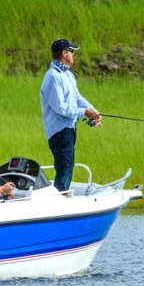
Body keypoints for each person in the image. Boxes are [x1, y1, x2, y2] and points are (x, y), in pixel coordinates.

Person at [40, 38, 101, 191]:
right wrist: (84, 112)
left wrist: (92, 111)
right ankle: (60, 200)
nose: (74, 54)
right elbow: (61, 108)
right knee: (65, 168)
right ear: (64, 53)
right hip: (60, 131)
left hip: (69, 129)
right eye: (72, 51)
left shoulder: (68, 76)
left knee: (67, 167)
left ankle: (61, 197)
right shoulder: (53, 77)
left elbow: (77, 98)